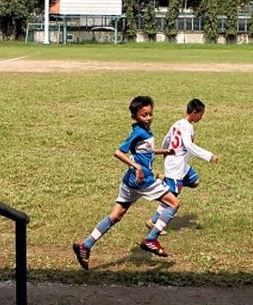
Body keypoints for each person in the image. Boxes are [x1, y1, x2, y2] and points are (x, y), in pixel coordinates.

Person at [73, 96, 180, 270]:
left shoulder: (144, 131)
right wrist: (136, 166)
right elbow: (118, 152)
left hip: (130, 182)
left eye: (150, 114)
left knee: (116, 216)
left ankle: (85, 245)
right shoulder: (138, 132)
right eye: (144, 115)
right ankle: (151, 238)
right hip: (143, 180)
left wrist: (164, 151)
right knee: (174, 203)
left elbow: (146, 150)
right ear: (135, 116)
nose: (148, 117)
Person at [145, 98, 219, 234]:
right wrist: (209, 156)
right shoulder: (188, 127)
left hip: (181, 165)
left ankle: (164, 179)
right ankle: (154, 222)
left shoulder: (177, 123)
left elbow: (166, 139)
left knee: (195, 181)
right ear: (194, 112)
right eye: (201, 114)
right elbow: (190, 146)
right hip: (176, 167)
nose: (201, 118)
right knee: (171, 197)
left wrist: (165, 153)